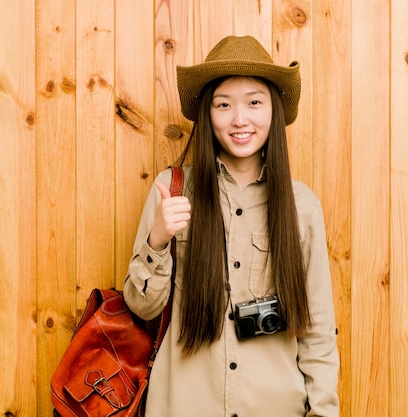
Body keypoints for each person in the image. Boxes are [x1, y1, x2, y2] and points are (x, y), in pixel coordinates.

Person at [123, 35, 340, 417]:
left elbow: (318, 332)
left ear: (273, 109)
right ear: (208, 112)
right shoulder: (173, 191)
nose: (240, 119)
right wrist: (158, 240)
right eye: (224, 105)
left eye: (254, 102)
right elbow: (142, 308)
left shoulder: (301, 206)